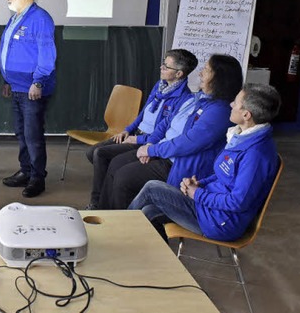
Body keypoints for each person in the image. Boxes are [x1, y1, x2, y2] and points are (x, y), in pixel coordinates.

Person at [129, 83, 281, 242]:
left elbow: (238, 202)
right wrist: (200, 184)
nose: (231, 104)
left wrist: (198, 194)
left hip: (220, 222)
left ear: (246, 115)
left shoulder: (256, 154)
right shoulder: (242, 137)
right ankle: (148, 256)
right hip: (209, 208)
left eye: (235, 103)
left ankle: (116, 230)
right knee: (148, 211)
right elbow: (224, 176)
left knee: (152, 188)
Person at [98, 54, 243, 210]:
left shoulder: (219, 111)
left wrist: (152, 149)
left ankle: (125, 227)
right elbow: (168, 123)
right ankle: (105, 214)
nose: (200, 73)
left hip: (179, 166)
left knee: (123, 177)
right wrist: (151, 145)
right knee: (116, 163)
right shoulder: (203, 100)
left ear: (219, 78)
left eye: (206, 70)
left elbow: (187, 142)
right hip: (167, 154)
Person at [84, 49, 197, 209]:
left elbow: (162, 132)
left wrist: (139, 140)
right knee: (93, 153)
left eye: (166, 66)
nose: (161, 68)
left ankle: (98, 204)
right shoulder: (160, 85)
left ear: (179, 74)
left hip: (146, 140)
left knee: (102, 155)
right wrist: (127, 130)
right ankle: (106, 195)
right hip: (136, 135)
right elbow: (144, 112)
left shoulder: (183, 99)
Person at [0, 0, 57, 198]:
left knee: (32, 135)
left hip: (32, 88)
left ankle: (37, 178)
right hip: (17, 87)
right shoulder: (16, 17)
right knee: (21, 133)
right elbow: (11, 51)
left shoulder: (40, 18)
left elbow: (47, 56)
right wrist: (8, 80)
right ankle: (25, 171)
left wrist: (37, 81)